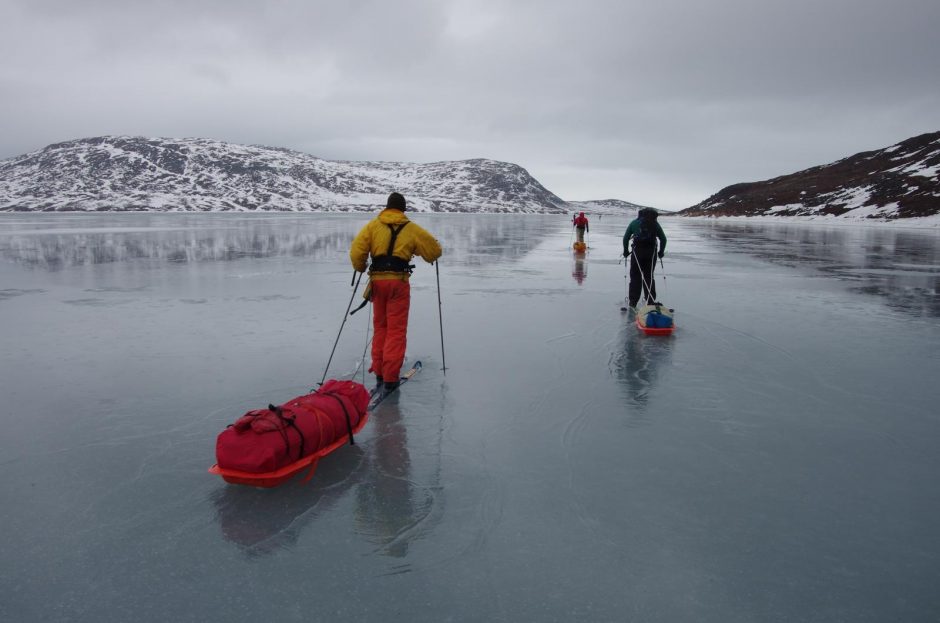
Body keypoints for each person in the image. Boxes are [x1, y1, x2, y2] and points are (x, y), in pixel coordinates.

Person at [350, 192, 442, 392]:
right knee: (396, 330)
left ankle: (381, 373)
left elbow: (357, 251)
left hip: (377, 283)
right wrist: (416, 249)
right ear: (403, 209)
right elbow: (434, 252)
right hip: (398, 284)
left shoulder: (373, 226)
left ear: (387, 207)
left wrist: (360, 266)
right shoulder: (411, 229)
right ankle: (391, 378)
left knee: (381, 326)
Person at [623, 208, 667, 309]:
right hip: (651, 253)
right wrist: (661, 252)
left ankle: (633, 302)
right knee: (648, 276)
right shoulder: (655, 224)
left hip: (637, 252)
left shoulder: (634, 223)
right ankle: (650, 300)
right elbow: (663, 239)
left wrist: (626, 251)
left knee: (635, 276)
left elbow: (626, 238)